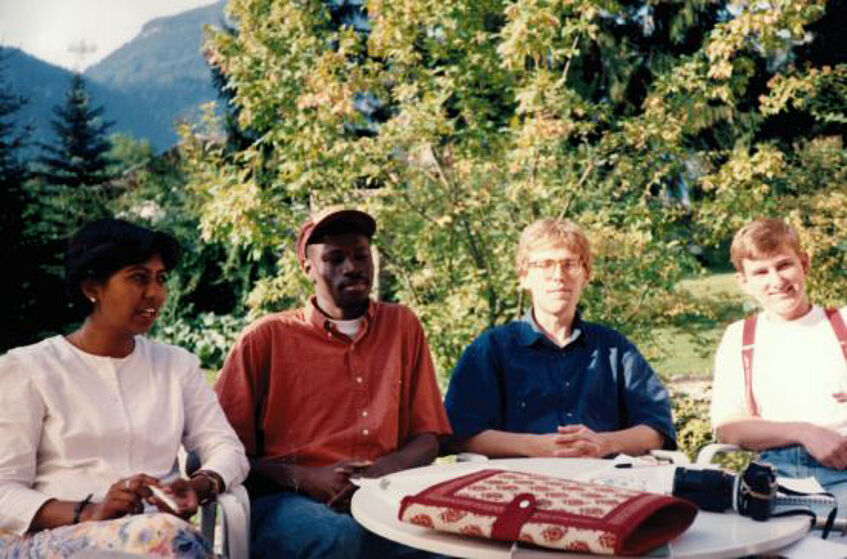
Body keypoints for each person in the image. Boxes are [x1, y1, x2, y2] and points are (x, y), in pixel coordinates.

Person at [0, 218, 249, 558]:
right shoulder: (30, 368)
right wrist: (89, 511)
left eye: (161, 279)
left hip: (160, 537)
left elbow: (227, 448)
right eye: (138, 278)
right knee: (167, 538)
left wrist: (199, 485)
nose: (155, 293)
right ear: (92, 288)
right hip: (56, 538)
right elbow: (3, 490)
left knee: (164, 537)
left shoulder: (177, 366)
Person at [215, 207, 452, 559]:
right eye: (334, 258)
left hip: (386, 491)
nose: (352, 267)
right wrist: (304, 477)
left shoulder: (401, 326)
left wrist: (380, 474)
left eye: (360, 255)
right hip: (291, 501)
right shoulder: (266, 338)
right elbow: (216, 454)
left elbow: (428, 437)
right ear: (307, 267)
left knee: (459, 542)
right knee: (339, 537)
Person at [444, 218, 676, 458]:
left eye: (569, 264)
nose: (559, 276)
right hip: (517, 485)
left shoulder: (615, 350)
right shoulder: (491, 350)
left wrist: (603, 443)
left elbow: (657, 428)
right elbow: (459, 435)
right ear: (524, 276)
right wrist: (534, 447)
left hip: (604, 483)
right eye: (545, 264)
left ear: (585, 274)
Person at [710, 217, 847, 501]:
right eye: (761, 272)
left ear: (804, 265)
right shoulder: (740, 337)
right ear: (744, 282)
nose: (777, 281)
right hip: (775, 478)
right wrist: (804, 432)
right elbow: (727, 428)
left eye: (784, 265)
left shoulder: (842, 323)